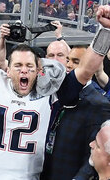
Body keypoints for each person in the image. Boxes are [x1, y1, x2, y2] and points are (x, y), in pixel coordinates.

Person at [0, 1, 110, 179]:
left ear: (38, 71)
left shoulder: (51, 92)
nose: (24, 70)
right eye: (18, 65)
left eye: (29, 66)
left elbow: (85, 70)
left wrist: (105, 30)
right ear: (7, 70)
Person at [40, 45, 110, 180]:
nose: (69, 65)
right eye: (68, 60)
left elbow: (96, 155)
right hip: (47, 171)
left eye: (76, 61)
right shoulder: (58, 93)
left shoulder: (99, 104)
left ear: (91, 66)